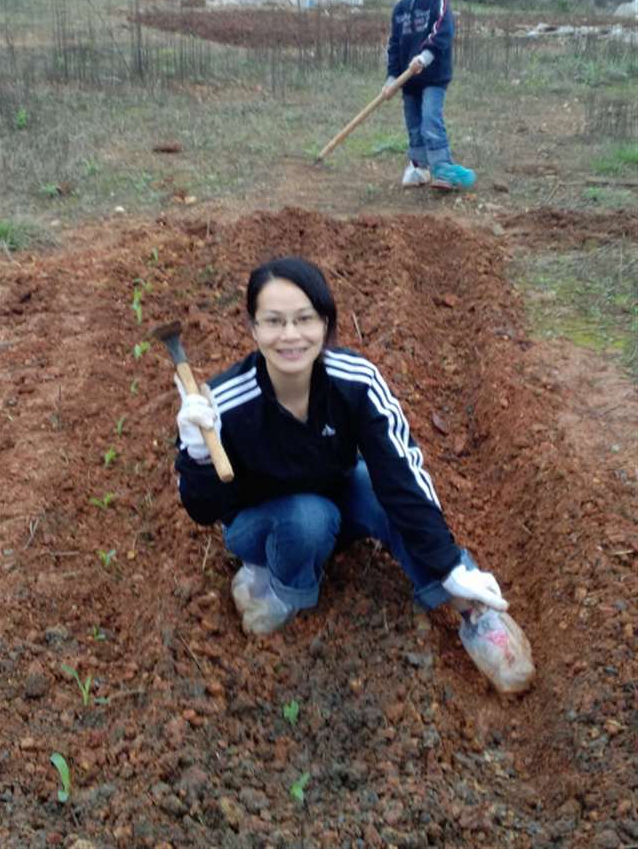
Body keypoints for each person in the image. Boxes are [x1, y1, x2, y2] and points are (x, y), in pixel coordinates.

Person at [174, 257, 507, 635]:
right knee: (308, 516)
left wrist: (449, 563)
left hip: (336, 499)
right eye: (273, 321)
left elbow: (401, 470)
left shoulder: (355, 380)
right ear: (253, 327)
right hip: (260, 524)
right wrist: (196, 453)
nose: (290, 335)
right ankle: (279, 585)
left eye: (304, 318)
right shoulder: (224, 401)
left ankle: (471, 608)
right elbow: (202, 511)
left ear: (326, 323)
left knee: (375, 485)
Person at [382, 0, 475, 191]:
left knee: (430, 119)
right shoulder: (400, 7)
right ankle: (419, 167)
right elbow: (395, 44)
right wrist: (392, 78)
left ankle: (443, 168)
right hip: (408, 80)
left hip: (433, 75)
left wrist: (425, 56)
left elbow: (442, 30)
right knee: (413, 124)